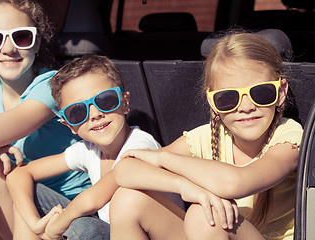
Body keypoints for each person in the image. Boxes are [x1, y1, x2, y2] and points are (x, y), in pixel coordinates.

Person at [109, 32, 303, 240]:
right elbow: (123, 169)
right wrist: (185, 187)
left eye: (261, 93)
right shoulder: (208, 136)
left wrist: (161, 158)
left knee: (206, 214)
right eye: (228, 98)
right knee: (127, 199)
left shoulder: (289, 137)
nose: (246, 107)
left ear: (281, 92)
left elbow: (235, 183)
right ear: (212, 102)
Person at [6, 54, 183, 239]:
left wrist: (57, 225)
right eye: (77, 111)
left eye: (105, 100)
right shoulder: (88, 150)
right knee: (26, 194)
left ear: (125, 102)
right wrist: (34, 223)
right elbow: (20, 174)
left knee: (85, 228)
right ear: (69, 125)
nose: (95, 114)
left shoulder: (141, 146)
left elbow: (92, 200)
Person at [0, 0, 90, 239]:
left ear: (37, 43)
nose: (8, 49)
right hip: (23, 202)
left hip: (67, 213)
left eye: (22, 37)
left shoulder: (54, 88)